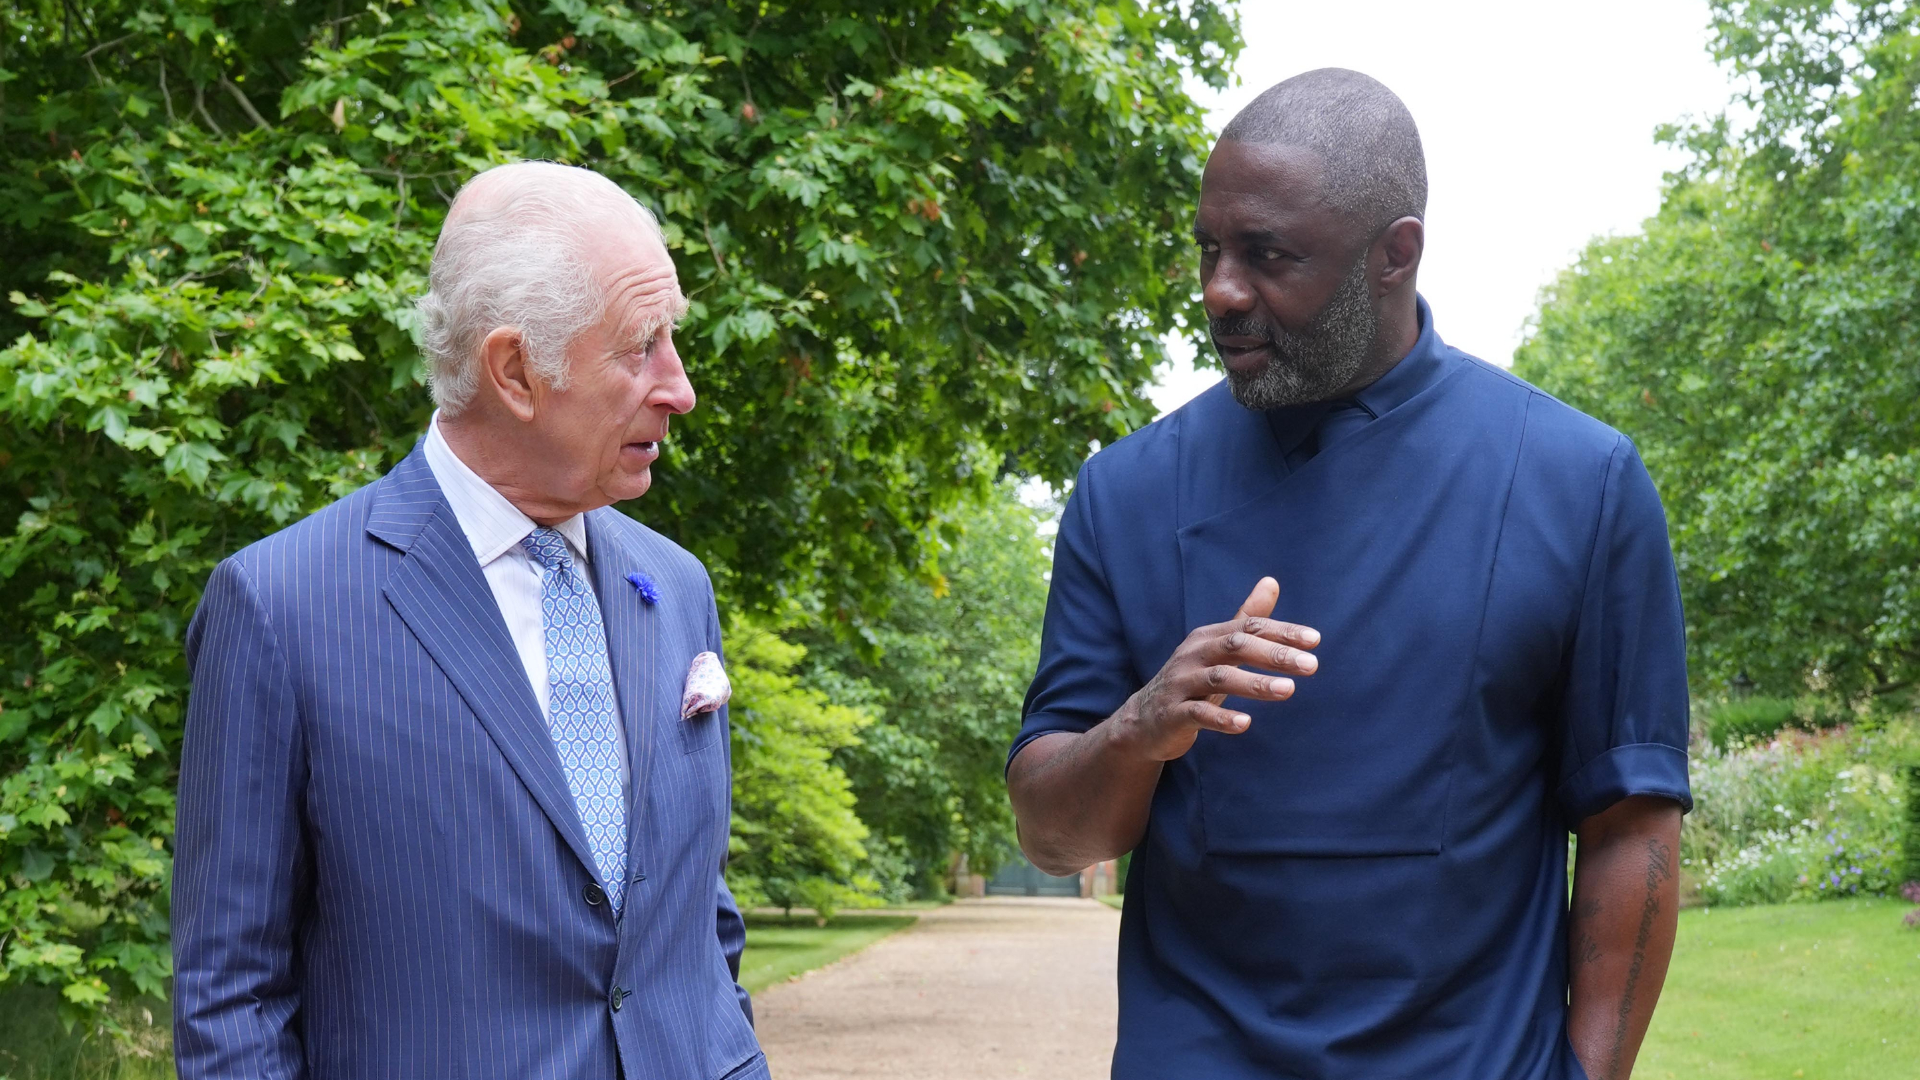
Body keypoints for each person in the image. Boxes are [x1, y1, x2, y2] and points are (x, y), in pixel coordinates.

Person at [1008, 69, 1690, 1080]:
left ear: (1395, 253)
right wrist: (1138, 729)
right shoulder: (1127, 493)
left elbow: (1633, 824)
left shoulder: (1577, 484)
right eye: (1208, 250)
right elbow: (1053, 836)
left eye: (1267, 256)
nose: (1220, 291)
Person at [172, 162, 768, 1080]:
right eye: (640, 346)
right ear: (516, 372)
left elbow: (694, 916)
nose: (679, 387)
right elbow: (232, 999)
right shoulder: (280, 607)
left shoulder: (677, 585)